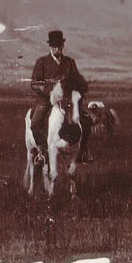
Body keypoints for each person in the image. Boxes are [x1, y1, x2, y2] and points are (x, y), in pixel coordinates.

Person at [30, 29, 93, 163]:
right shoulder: (42, 62)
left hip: (67, 100)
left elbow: (77, 80)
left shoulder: (70, 62)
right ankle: (42, 152)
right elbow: (35, 83)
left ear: (62, 46)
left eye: (59, 46)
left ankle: (83, 151)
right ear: (50, 46)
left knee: (86, 120)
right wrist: (50, 92)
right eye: (54, 46)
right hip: (47, 100)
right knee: (35, 123)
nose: (56, 49)